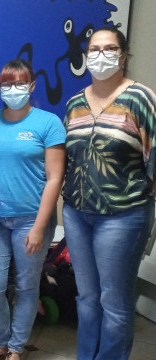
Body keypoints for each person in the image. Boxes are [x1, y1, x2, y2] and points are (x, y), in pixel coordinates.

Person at [62, 26, 156, 360]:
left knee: (114, 302)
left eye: (109, 49)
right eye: (94, 49)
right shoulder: (74, 103)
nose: (101, 56)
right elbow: (69, 160)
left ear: (123, 54)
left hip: (124, 216)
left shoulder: (141, 98)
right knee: (87, 298)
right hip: (76, 214)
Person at [0, 60, 66, 360]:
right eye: (6, 84)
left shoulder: (48, 123)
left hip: (31, 219)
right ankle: (1, 342)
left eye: (19, 84)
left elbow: (55, 178)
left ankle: (16, 348)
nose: (12, 90)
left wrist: (40, 227)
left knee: (27, 287)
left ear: (31, 86)